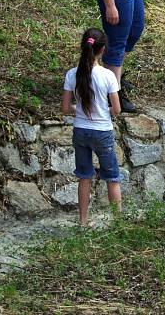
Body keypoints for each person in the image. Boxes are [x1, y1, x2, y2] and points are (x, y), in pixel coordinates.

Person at [60, 28, 122, 226]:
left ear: (83, 47)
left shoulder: (72, 74)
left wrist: (78, 108)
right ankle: (117, 222)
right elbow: (117, 109)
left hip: (80, 130)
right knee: (112, 177)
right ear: (102, 49)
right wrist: (103, 111)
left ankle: (83, 221)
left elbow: (64, 108)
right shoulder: (108, 76)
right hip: (102, 131)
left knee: (84, 177)